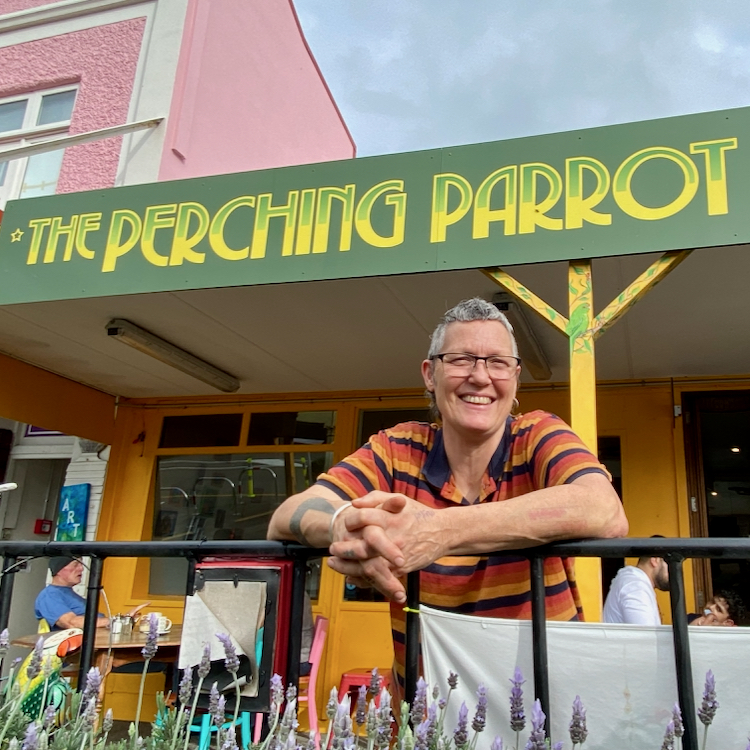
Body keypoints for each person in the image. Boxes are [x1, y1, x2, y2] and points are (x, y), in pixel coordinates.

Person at [268, 297, 628, 676]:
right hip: (427, 717)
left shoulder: (539, 434)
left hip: (546, 707)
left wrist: (438, 530)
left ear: (515, 378)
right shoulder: (396, 448)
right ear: (429, 374)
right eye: (460, 359)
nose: (480, 376)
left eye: (498, 363)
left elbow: (604, 511)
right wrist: (343, 523)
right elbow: (287, 516)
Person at [34, 556, 146, 630]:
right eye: (75, 564)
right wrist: (118, 620)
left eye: (81, 564)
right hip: (77, 656)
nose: (81, 569)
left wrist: (126, 620)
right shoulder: (49, 596)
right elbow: (71, 623)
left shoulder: (69, 594)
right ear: (59, 570)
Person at [602, 553, 669, 625]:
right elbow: (645, 634)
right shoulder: (635, 587)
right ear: (655, 559)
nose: (673, 570)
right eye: (669, 562)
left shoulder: (635, 584)